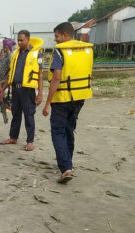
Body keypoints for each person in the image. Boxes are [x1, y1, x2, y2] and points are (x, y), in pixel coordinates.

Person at [42, 22, 94, 183]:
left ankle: (65, 168)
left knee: (58, 132)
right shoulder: (86, 49)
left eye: (57, 36)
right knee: (69, 129)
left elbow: (56, 77)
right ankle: (68, 162)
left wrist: (47, 102)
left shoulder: (60, 51)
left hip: (63, 97)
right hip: (81, 96)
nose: (55, 40)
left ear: (65, 35)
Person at [0, 30, 44, 151]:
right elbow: (10, 74)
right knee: (15, 114)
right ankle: (13, 137)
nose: (19, 42)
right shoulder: (15, 54)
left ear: (28, 39)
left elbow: (40, 74)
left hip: (27, 90)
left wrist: (40, 93)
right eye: (18, 40)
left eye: (21, 40)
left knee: (29, 115)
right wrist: (3, 90)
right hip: (15, 89)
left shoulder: (37, 53)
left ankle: (30, 141)